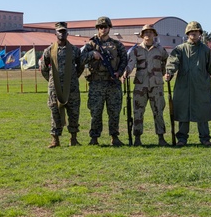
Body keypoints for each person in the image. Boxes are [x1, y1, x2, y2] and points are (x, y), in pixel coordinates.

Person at [164, 21, 211, 146]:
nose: (193, 34)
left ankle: (205, 138)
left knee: (202, 112)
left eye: (196, 31)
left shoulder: (205, 50)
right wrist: (170, 72)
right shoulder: (180, 49)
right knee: (183, 112)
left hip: (201, 86)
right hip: (183, 86)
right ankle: (182, 139)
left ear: (200, 33)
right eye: (191, 32)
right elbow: (172, 62)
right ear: (187, 34)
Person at [80, 16, 128, 146]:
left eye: (105, 27)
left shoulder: (117, 44)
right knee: (95, 111)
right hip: (97, 82)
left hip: (113, 82)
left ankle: (114, 137)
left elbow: (124, 59)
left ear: (109, 28)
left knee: (114, 111)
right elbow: (80, 59)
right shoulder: (91, 44)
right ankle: (94, 138)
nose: (103, 29)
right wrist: (92, 55)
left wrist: (119, 71)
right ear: (97, 28)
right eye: (100, 27)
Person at [41, 22, 85, 148]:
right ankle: (55, 140)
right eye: (59, 31)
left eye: (64, 31)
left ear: (67, 33)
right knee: (55, 113)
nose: (62, 33)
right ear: (55, 33)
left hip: (72, 88)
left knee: (74, 112)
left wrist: (72, 78)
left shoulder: (75, 50)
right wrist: (51, 80)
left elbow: (80, 66)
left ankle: (74, 138)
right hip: (54, 89)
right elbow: (44, 69)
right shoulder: (49, 50)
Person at [126, 24, 169, 146]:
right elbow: (131, 63)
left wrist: (165, 72)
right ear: (142, 35)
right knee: (138, 112)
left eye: (150, 32)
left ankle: (161, 138)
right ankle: (137, 138)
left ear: (154, 35)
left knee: (158, 111)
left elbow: (167, 61)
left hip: (156, 85)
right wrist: (126, 72)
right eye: (145, 32)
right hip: (140, 85)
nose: (148, 34)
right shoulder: (136, 50)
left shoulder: (160, 49)